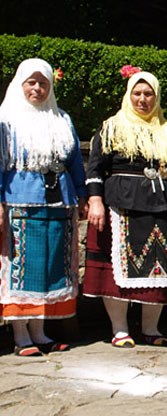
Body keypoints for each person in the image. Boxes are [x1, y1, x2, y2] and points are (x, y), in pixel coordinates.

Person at [83, 70, 167, 348]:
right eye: (137, 93)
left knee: (159, 269)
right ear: (128, 95)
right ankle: (120, 330)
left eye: (148, 94)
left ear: (156, 96)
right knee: (117, 269)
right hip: (121, 206)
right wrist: (95, 200)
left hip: (164, 205)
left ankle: (151, 329)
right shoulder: (112, 128)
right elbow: (95, 169)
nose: (143, 99)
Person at [0, 58, 88, 356]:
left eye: (43, 83)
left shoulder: (61, 118)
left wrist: (82, 194)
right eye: (31, 83)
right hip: (21, 201)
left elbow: (75, 161)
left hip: (59, 202)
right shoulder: (7, 120)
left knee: (49, 267)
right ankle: (20, 334)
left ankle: (40, 331)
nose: (37, 88)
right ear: (20, 85)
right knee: (23, 268)